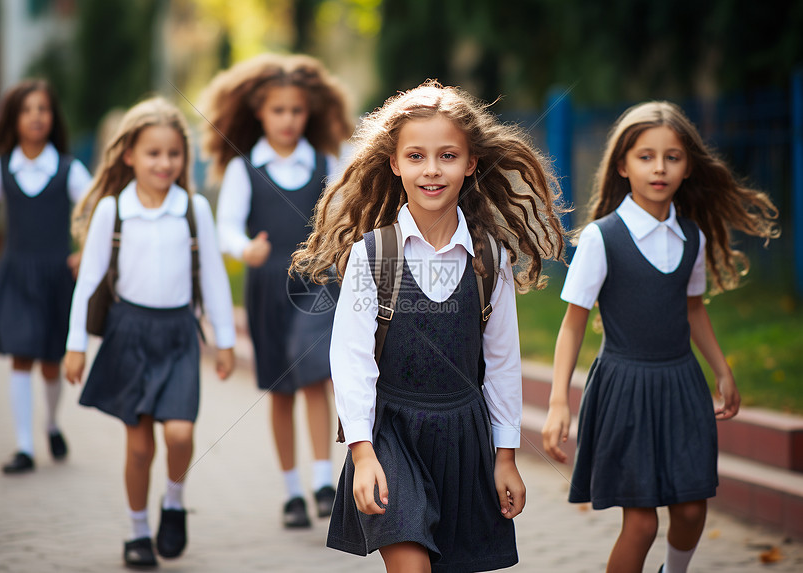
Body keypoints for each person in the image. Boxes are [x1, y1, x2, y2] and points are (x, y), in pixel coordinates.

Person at [291, 80, 568, 572]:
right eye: (416, 156)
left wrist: (505, 456)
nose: (432, 170)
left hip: (464, 438)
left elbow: (502, 362)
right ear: (395, 163)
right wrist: (361, 451)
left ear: (471, 163)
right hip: (391, 436)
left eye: (447, 155)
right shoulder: (371, 256)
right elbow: (351, 359)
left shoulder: (489, 258)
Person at [541, 101, 780, 573]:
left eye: (672, 157)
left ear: (688, 166)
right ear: (623, 166)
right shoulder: (601, 238)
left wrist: (722, 370)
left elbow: (693, 309)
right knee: (642, 524)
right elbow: (572, 324)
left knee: (692, 509)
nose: (659, 167)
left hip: (681, 386)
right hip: (624, 389)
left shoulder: (692, 237)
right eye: (646, 156)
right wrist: (557, 402)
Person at [63, 97, 236, 568]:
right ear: (129, 156)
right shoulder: (112, 212)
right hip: (128, 335)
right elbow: (90, 282)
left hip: (178, 334)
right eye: (153, 153)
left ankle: (174, 501)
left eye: (173, 154)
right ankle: (137, 532)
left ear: (184, 158)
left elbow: (216, 278)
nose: (164, 163)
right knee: (139, 447)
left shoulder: (193, 209)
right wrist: (75, 345)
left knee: (180, 434)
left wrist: (225, 339)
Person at [200, 52, 353, 528]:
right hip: (268, 286)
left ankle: (324, 481)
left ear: (311, 113)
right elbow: (226, 227)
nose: (288, 120)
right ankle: (292, 491)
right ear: (259, 114)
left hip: (317, 282)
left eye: (297, 111)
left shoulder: (329, 160)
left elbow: (351, 207)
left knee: (313, 374)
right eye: (278, 110)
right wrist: (244, 249)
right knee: (281, 389)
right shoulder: (245, 168)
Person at [0, 79, 92, 474]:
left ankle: (50, 424)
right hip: (15, 274)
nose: (36, 117)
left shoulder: (69, 169)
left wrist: (85, 251)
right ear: (14, 119)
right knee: (20, 358)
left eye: (43, 109)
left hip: (55, 277)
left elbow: (92, 213)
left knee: (51, 363)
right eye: (27, 110)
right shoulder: (0, 168)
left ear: (53, 118)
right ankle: (25, 447)